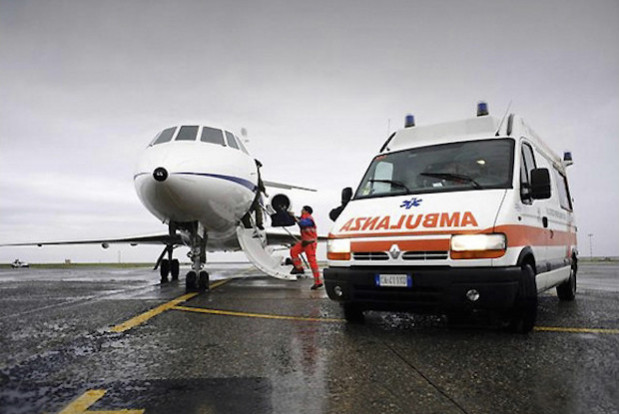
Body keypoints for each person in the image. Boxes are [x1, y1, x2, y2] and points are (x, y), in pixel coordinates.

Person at [289, 205, 323, 290]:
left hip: (310, 243)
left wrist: (294, 217)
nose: (301, 211)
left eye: (302, 209)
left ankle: (318, 282)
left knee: (312, 262)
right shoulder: (303, 218)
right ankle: (299, 268)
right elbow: (299, 220)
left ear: (306, 211)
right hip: (304, 242)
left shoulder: (309, 219)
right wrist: (291, 215)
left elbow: (303, 223)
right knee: (293, 251)